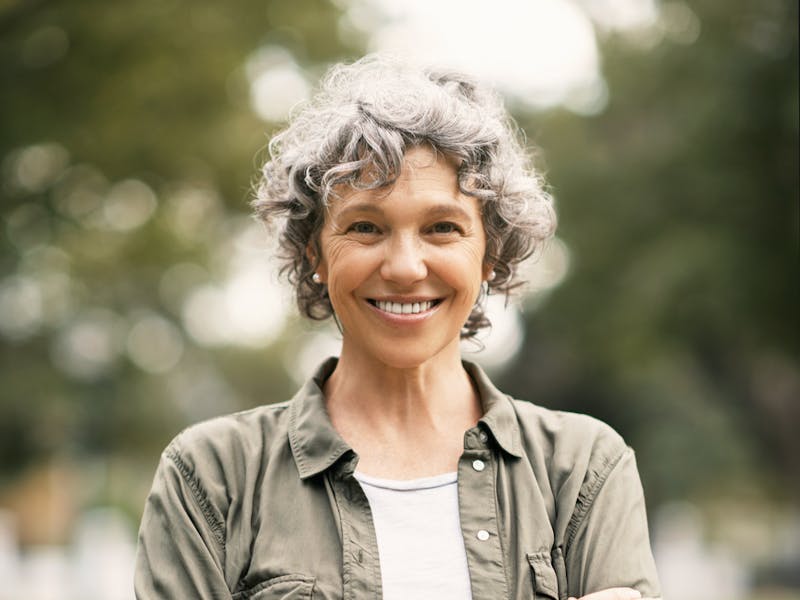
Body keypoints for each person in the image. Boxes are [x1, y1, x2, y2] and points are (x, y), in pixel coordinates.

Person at [135, 55, 661, 600]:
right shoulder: (211, 477)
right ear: (315, 252)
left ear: (490, 254)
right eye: (365, 227)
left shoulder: (582, 469)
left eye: (442, 228)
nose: (406, 267)